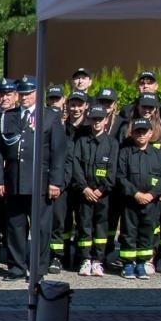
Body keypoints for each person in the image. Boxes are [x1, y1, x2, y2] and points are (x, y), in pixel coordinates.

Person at [0, 78, 67, 280]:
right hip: (14, 180)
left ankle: (39, 269)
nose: (25, 97)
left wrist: (55, 182)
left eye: (29, 93)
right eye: (22, 93)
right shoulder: (9, 116)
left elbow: (58, 152)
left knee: (41, 228)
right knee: (15, 227)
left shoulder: (49, 116)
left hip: (40, 181)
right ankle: (16, 267)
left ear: (37, 94)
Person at [116, 118, 161, 279]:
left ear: (151, 133)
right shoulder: (125, 153)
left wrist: (152, 195)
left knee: (146, 233)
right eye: (137, 132)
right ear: (132, 133)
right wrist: (136, 194)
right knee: (129, 233)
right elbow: (120, 176)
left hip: (151, 203)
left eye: (144, 132)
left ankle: (141, 264)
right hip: (131, 202)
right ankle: (127, 264)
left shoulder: (158, 155)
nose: (141, 135)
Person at [70, 105, 118, 276]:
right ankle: (85, 259)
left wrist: (101, 190)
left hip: (102, 195)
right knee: (84, 226)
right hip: (85, 193)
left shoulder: (112, 144)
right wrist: (84, 188)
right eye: (94, 119)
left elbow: (113, 170)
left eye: (100, 119)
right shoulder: (81, 142)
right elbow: (76, 166)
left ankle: (98, 260)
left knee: (101, 228)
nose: (97, 123)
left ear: (106, 120)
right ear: (90, 120)